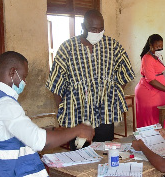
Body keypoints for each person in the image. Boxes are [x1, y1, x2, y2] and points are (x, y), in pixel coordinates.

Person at [0, 51, 95, 176]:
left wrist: (51, 130)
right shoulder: (5, 104)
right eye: (24, 76)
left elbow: (6, 133)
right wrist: (78, 130)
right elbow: (39, 142)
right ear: (12, 72)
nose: (24, 81)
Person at [46, 9, 135, 150]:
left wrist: (113, 93)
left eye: (101, 29)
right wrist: (62, 110)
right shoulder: (67, 48)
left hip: (105, 114)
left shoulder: (113, 46)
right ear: (83, 26)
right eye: (93, 29)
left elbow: (126, 72)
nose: (98, 33)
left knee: (105, 151)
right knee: (79, 154)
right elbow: (56, 83)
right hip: (77, 115)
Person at [135, 34, 165, 129]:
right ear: (151, 46)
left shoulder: (156, 57)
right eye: (157, 47)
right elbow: (151, 80)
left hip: (159, 92)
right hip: (148, 92)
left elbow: (157, 72)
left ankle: (164, 140)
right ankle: (150, 142)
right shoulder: (147, 58)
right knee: (151, 119)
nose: (160, 49)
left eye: (161, 47)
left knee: (161, 117)